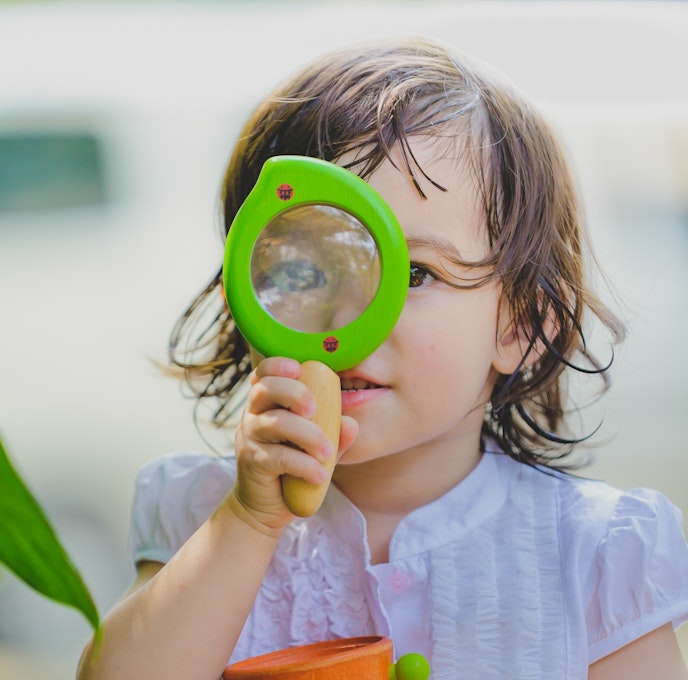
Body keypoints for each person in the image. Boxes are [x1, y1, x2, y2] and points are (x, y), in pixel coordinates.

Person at [77, 37, 688, 679]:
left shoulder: (592, 558)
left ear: (521, 324)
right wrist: (249, 523)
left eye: (415, 274)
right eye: (304, 270)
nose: (349, 315)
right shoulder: (199, 517)